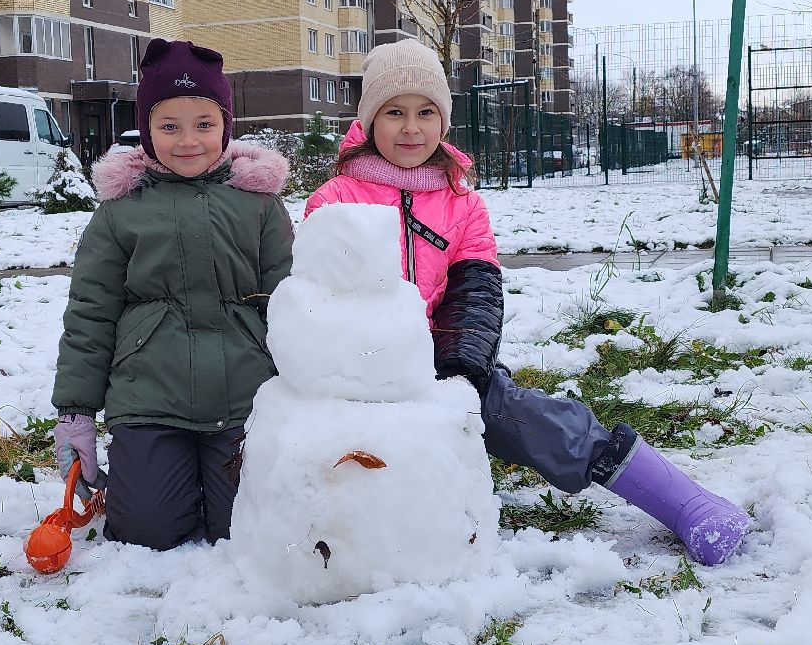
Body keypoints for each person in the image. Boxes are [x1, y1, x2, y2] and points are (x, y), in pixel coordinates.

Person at [305, 41, 749, 565]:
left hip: (443, 367)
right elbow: (319, 297)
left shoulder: (463, 205)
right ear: (369, 121)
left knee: (535, 419)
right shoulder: (336, 199)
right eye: (394, 113)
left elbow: (475, 290)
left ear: (443, 121)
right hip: (357, 379)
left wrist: (461, 370)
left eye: (426, 112)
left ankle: (683, 502)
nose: (411, 128)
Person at [51, 39, 293, 550]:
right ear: (146, 129)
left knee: (244, 530)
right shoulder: (121, 212)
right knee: (146, 531)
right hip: (149, 398)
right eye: (169, 126)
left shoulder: (260, 207)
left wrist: (306, 391)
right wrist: (76, 411)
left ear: (225, 125)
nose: (187, 141)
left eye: (203, 124)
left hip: (244, 396)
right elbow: (91, 313)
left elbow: (292, 303)